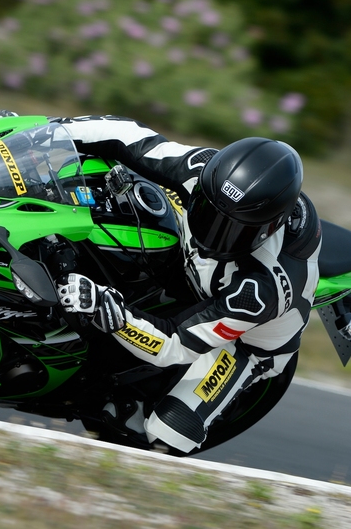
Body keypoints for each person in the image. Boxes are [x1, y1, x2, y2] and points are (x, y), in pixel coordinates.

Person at [55, 115, 322, 454]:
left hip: (243, 343)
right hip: (192, 272)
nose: (211, 233)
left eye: (232, 230)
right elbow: (127, 136)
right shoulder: (205, 169)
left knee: (165, 436)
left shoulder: (260, 288)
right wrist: (46, 130)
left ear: (269, 229)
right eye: (207, 211)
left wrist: (110, 312)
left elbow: (175, 344)